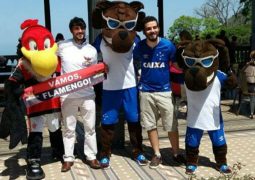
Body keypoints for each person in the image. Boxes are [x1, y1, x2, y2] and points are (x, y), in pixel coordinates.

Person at [133, 16, 186, 169]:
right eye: (148, 28)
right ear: (144, 31)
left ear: (158, 28)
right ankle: (157, 154)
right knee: (150, 125)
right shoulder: (139, 47)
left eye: (154, 27)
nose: (152, 31)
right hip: (145, 92)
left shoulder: (168, 45)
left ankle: (176, 153)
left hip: (164, 91)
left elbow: (176, 65)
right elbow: (133, 63)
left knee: (171, 124)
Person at [57, 17, 100, 171]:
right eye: (76, 28)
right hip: (68, 95)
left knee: (90, 127)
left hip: (88, 94)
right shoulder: (62, 46)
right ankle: (68, 158)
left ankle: (91, 156)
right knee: (69, 129)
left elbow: (96, 72)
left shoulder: (92, 50)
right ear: (71, 30)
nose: (80, 31)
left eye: (82, 28)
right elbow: (46, 56)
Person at [242, 50, 255, 119]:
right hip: (250, 87)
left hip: (249, 87)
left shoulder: (247, 66)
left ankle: (252, 113)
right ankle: (252, 113)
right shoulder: (249, 66)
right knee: (253, 96)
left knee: (253, 97)